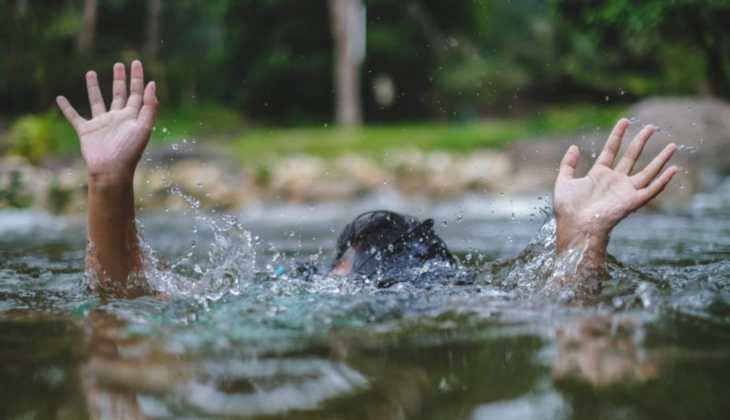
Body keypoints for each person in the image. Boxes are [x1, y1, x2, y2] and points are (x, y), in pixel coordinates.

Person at [56, 61, 679, 298]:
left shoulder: (289, 290)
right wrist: (579, 241)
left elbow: (128, 294)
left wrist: (110, 188)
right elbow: (558, 306)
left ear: (339, 266)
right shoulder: (450, 294)